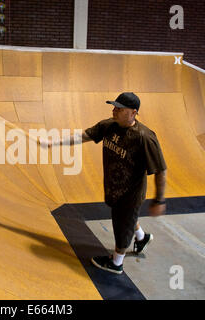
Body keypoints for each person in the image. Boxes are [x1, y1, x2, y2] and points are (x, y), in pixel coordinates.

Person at [41, 92, 167, 274]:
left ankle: (116, 263)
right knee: (127, 218)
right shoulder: (109, 126)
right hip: (114, 187)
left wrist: (159, 200)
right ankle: (141, 237)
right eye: (114, 106)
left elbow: (161, 169)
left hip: (131, 193)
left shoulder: (144, 137)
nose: (114, 110)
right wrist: (53, 143)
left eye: (119, 108)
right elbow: (82, 136)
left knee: (121, 224)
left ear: (133, 112)